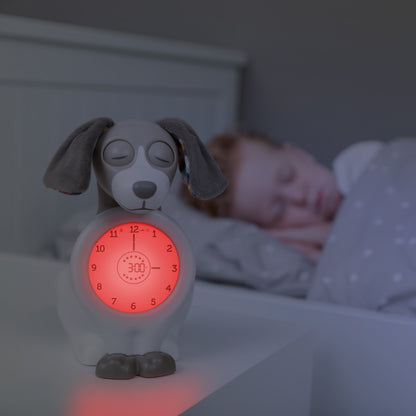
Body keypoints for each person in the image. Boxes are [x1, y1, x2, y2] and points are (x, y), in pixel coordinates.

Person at [185, 130, 383, 262]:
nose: (299, 196)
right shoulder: (318, 256)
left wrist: (327, 234)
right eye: (278, 210)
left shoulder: (361, 163)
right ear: (272, 229)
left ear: (298, 153)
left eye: (289, 175)